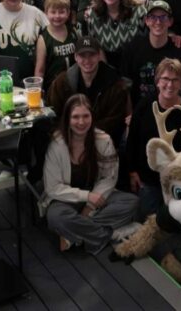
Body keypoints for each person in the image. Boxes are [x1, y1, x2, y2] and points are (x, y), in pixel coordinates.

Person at [41, 94, 139, 253]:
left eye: (86, 116)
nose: (81, 122)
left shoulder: (103, 140)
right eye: (75, 117)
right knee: (56, 216)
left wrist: (90, 205)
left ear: (92, 117)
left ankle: (73, 235)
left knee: (131, 202)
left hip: (96, 196)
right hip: (66, 199)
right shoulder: (57, 144)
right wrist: (86, 197)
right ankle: (111, 234)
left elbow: (109, 178)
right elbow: (52, 188)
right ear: (67, 119)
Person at [127, 59, 181, 218]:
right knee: (148, 223)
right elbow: (132, 139)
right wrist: (132, 171)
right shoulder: (145, 105)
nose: (170, 85)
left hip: (178, 180)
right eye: (165, 79)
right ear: (157, 81)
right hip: (148, 179)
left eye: (175, 80)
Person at [46, 36, 130, 151]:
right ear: (75, 57)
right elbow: (52, 113)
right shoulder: (62, 82)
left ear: (99, 55)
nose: (87, 60)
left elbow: (115, 121)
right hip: (69, 141)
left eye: (92, 55)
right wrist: (69, 135)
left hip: (102, 143)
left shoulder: (115, 84)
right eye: (82, 55)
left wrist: (86, 136)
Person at [120, 0, 181, 107]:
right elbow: (126, 85)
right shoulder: (132, 48)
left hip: (171, 108)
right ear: (146, 21)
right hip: (141, 109)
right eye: (153, 17)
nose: (158, 22)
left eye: (163, 17)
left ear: (170, 21)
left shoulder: (180, 51)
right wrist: (130, 113)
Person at [83, 0, 147, 67]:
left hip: (136, 62)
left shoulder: (138, 11)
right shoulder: (92, 14)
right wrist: (107, 71)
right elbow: (97, 48)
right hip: (106, 63)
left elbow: (146, 42)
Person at [35, 0, 78, 89]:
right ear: (46, 13)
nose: (57, 16)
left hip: (74, 85)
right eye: (53, 12)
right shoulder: (43, 39)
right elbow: (40, 70)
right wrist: (38, 91)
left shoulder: (73, 32)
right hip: (53, 88)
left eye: (61, 12)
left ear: (68, 13)